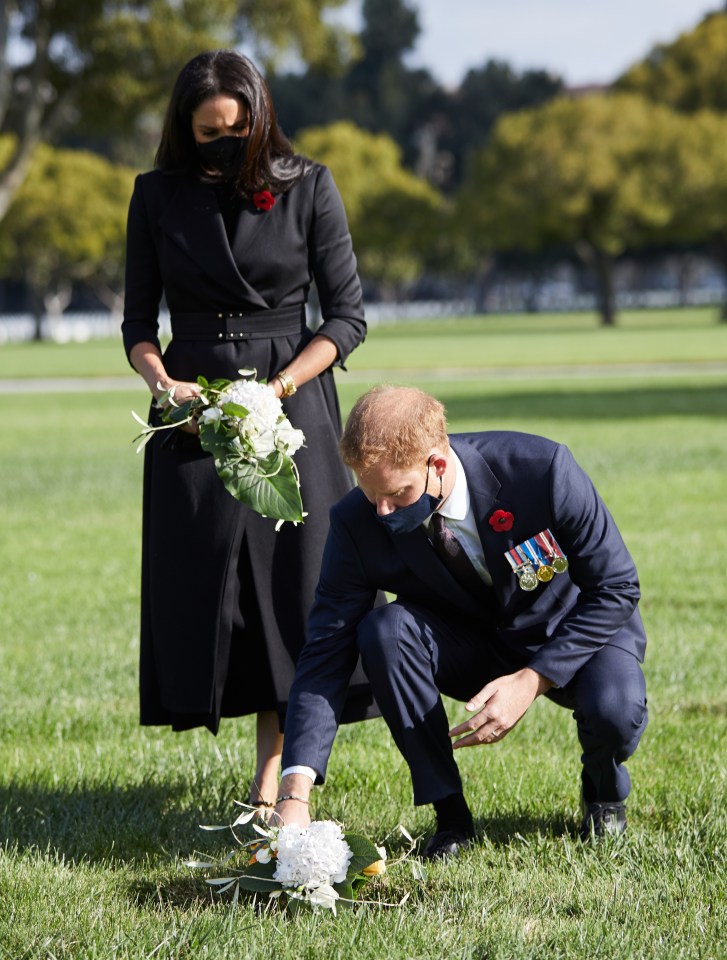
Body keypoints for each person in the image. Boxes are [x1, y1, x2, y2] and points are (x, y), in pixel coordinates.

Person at [122, 49, 377, 811]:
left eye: (237, 128)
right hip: (191, 402)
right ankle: (223, 717)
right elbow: (139, 322)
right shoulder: (155, 195)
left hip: (290, 395)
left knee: (287, 587)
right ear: (184, 128)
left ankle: (276, 772)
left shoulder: (309, 186)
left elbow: (346, 316)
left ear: (259, 119)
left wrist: (281, 388)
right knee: (207, 584)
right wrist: (161, 382)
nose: (225, 142)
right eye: (208, 132)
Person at [274, 386, 648, 856]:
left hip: (572, 630)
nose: (381, 511)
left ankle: (603, 791)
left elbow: (617, 588)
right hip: (469, 644)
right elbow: (325, 648)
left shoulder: (542, 471)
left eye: (395, 493)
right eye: (370, 494)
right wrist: (294, 792)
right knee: (383, 631)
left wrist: (532, 680)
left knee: (615, 709)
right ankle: (450, 816)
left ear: (437, 464)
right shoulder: (357, 522)